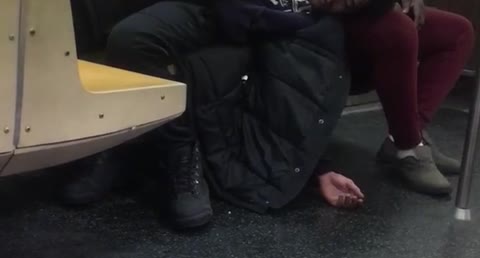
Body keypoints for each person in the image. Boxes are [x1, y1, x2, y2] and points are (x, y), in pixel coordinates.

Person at [62, 0, 366, 228]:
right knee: (105, 25)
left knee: (145, 42)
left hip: (263, 21)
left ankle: (180, 156)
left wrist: (319, 169)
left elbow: (299, 96)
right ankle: (116, 142)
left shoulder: (318, 24)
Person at [310, 0, 475, 195]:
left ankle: (407, 136)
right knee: (397, 29)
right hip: (316, 22)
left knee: (457, 32)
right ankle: (408, 147)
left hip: (364, 12)